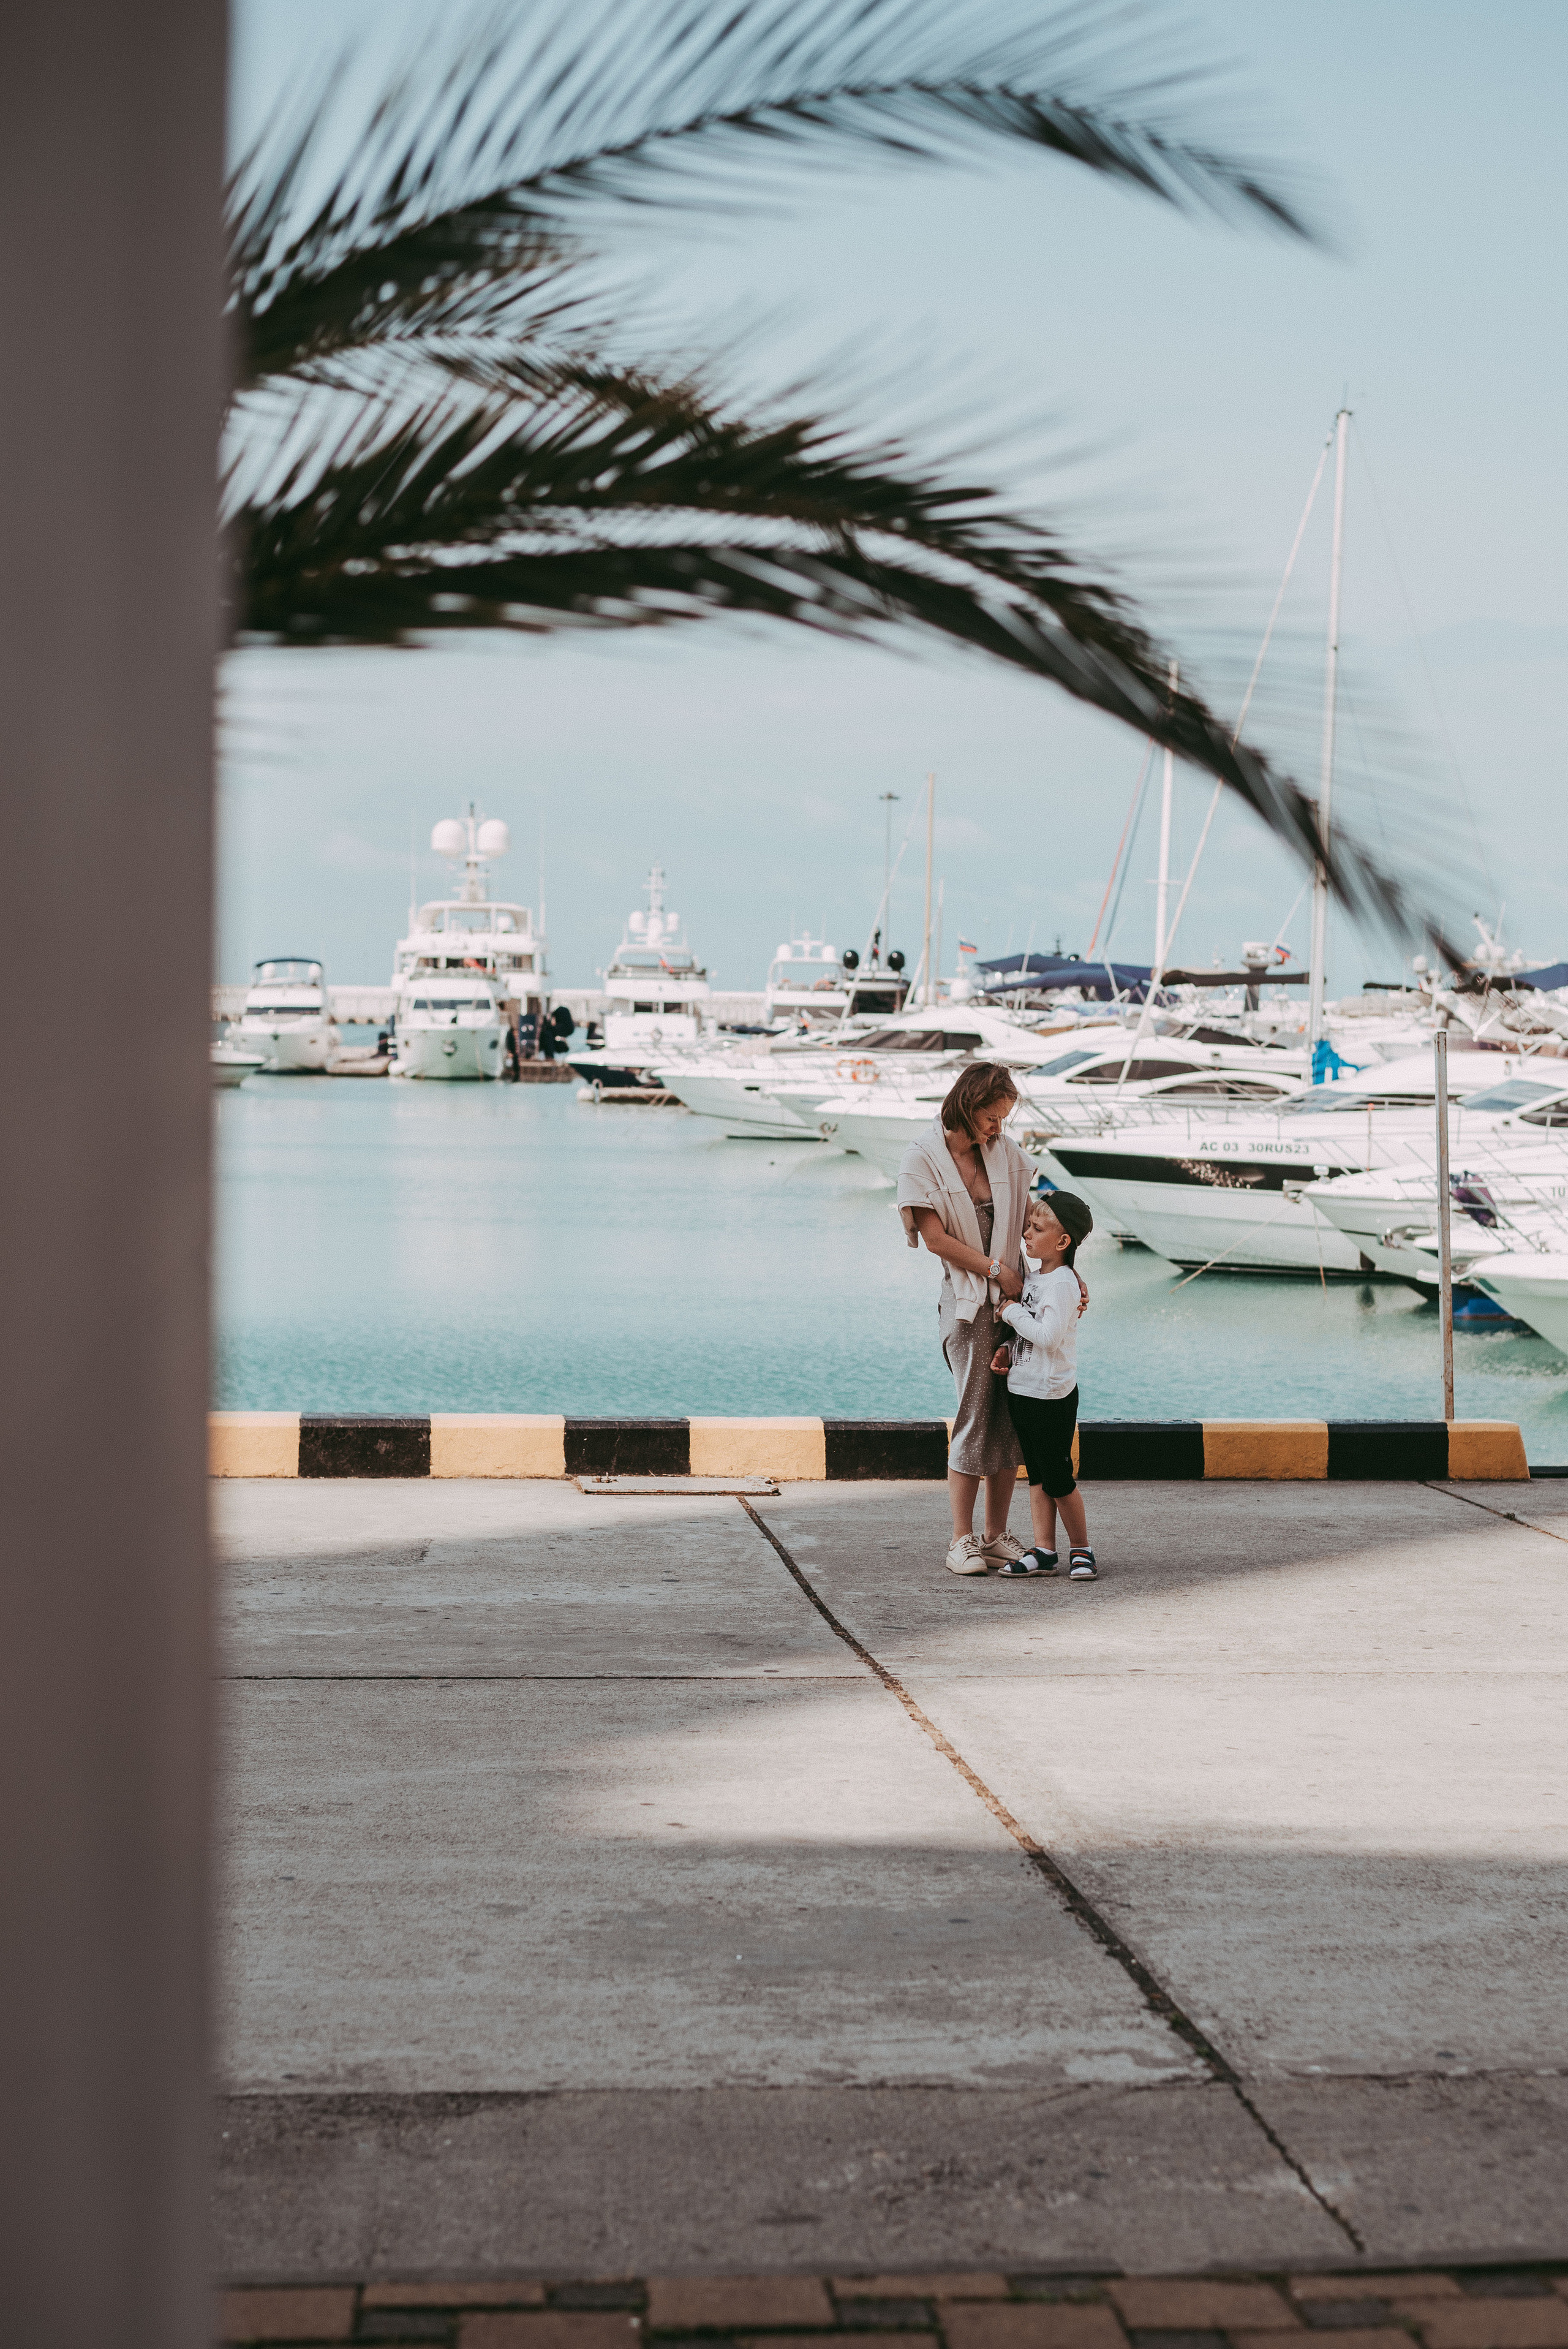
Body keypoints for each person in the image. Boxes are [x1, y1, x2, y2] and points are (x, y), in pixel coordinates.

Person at [897, 1063, 1085, 1576]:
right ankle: (960, 1541)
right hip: (969, 1307)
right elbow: (936, 1240)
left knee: (1011, 1423)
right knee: (975, 1416)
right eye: (992, 1116)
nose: (999, 1127)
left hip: (1018, 1301)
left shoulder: (1005, 1154)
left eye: (1004, 1117)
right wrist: (999, 1272)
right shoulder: (922, 1158)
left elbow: (1038, 1225)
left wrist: (1069, 1274)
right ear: (967, 1105)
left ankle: (995, 1536)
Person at [990, 1190, 1098, 1579]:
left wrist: (1010, 1312)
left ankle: (1081, 1549)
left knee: (1057, 1478)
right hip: (1023, 1390)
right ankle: (1044, 1550)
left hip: (1052, 1396)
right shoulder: (1036, 1279)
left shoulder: (1064, 1284)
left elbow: (1049, 1336)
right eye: (1029, 1227)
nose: (1027, 1234)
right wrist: (1008, 1347)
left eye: (1037, 1229)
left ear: (1063, 1241)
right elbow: (1032, 1333)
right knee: (1036, 1474)